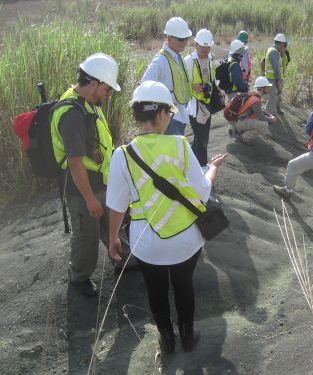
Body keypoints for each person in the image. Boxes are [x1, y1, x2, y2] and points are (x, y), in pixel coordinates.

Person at [107, 81, 227, 354]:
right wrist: (212, 170)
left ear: (138, 114)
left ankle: (166, 339)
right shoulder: (180, 145)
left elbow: (117, 205)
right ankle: (187, 335)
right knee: (184, 286)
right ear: (161, 113)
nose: (171, 117)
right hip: (186, 239)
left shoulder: (121, 155)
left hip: (147, 244)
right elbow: (202, 191)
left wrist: (113, 237)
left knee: (156, 291)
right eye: (170, 112)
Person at [50, 53, 134, 297]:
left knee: (111, 223)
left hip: (99, 181)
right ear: (94, 83)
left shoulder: (86, 103)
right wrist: (89, 198)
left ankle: (121, 258)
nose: (108, 95)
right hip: (81, 188)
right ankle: (79, 277)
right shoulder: (72, 115)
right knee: (86, 237)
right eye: (107, 90)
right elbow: (75, 163)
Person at [141, 16, 193, 136]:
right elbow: (145, 84)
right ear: (169, 38)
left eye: (186, 38)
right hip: (169, 119)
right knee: (171, 154)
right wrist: (160, 108)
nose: (184, 42)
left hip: (180, 115)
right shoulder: (160, 60)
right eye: (180, 39)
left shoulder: (177, 56)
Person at [184, 28, 217, 169]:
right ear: (195, 44)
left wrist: (217, 90)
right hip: (194, 106)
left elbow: (213, 78)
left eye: (207, 47)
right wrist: (192, 86)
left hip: (207, 104)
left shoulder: (211, 59)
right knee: (202, 138)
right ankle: (202, 166)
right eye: (202, 46)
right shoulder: (188, 61)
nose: (205, 49)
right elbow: (180, 83)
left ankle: (187, 162)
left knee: (201, 137)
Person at [230, 76, 278, 145]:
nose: (269, 89)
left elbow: (259, 110)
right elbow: (261, 117)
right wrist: (271, 119)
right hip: (240, 122)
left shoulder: (253, 94)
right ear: (262, 88)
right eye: (267, 87)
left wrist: (270, 115)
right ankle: (245, 137)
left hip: (237, 119)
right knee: (264, 124)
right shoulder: (256, 100)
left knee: (257, 119)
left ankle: (237, 129)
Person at [265, 33, 288, 116]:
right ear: (281, 43)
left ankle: (273, 113)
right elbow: (276, 68)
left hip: (271, 78)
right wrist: (278, 80)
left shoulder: (272, 50)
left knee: (274, 97)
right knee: (272, 99)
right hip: (272, 79)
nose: (285, 46)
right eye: (284, 44)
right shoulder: (274, 52)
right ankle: (268, 116)